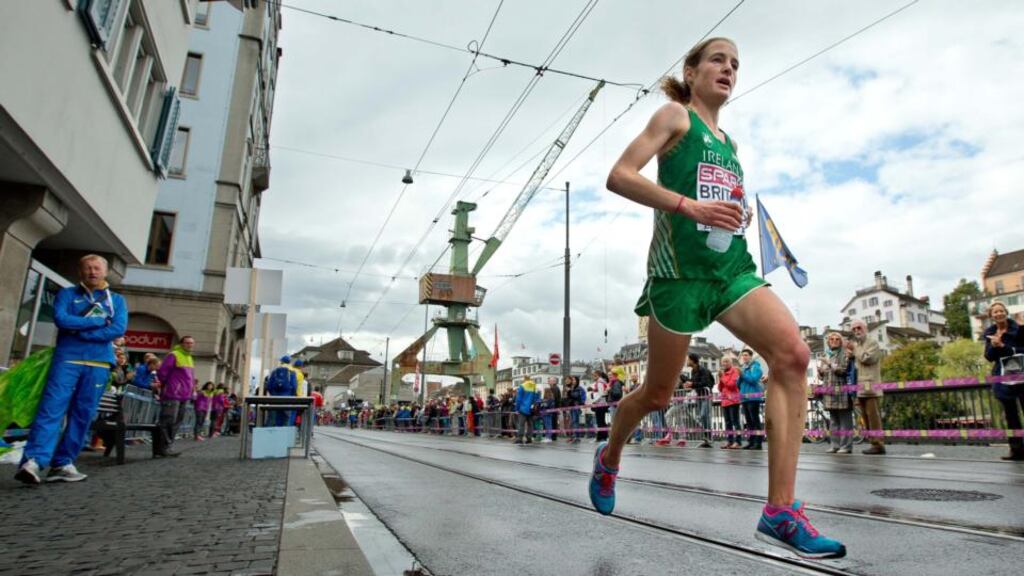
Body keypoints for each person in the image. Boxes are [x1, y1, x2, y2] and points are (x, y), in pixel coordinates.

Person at [592, 37, 844, 558]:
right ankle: (610, 454)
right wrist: (691, 208)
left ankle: (780, 509)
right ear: (691, 70)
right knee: (656, 395)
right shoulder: (674, 118)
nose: (728, 69)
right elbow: (619, 176)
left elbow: (718, 200)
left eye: (735, 64)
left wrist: (732, 213)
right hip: (678, 275)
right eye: (717, 60)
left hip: (730, 270)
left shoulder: (729, 144)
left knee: (793, 355)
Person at [15, 255, 128, 485]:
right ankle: (34, 461)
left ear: (105, 272)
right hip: (68, 359)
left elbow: (118, 328)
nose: (92, 272)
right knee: (51, 409)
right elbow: (61, 319)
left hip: (98, 364)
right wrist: (96, 323)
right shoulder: (67, 294)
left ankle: (63, 463)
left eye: (97, 268)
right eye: (87, 268)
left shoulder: (116, 300)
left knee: (82, 415)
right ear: (80, 271)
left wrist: (82, 332)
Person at [983, 301, 1024, 461]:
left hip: (1021, 375)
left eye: (1001, 311)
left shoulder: (1019, 329)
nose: (999, 314)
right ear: (991, 316)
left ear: (1006, 312)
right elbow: (988, 357)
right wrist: (994, 345)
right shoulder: (990, 333)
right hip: (1003, 378)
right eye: (995, 312)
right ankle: (1017, 451)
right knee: (1011, 415)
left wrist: (1006, 347)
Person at [154, 336, 196, 457]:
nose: (190, 345)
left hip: (184, 395)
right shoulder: (174, 355)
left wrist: (192, 390)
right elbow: (162, 372)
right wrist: (167, 385)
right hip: (172, 393)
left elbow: (190, 377)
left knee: (177, 421)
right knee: (168, 420)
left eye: (192, 343)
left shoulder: (189, 358)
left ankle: (167, 446)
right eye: (187, 343)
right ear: (181, 343)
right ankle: (163, 448)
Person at [848, 320, 885, 455]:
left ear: (865, 328)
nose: (857, 331)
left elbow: (867, 359)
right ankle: (873, 443)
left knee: (873, 416)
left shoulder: (872, 343)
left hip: (871, 386)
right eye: (854, 329)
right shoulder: (859, 345)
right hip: (861, 387)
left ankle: (878, 443)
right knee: (866, 417)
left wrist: (854, 350)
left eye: (859, 328)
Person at [817, 332, 854, 454]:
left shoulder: (844, 354)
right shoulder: (826, 354)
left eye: (837, 339)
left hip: (842, 391)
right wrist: (820, 371)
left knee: (845, 421)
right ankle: (835, 445)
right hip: (829, 391)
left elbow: (843, 371)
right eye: (831, 339)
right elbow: (823, 376)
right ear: (828, 341)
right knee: (833, 421)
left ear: (841, 341)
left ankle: (846, 446)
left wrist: (829, 363)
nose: (834, 341)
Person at [738, 348, 764, 450]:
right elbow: (738, 384)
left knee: (755, 420)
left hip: (753, 397)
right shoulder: (743, 368)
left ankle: (758, 443)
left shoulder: (756, 367)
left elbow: (753, 380)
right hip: (744, 397)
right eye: (743, 355)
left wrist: (742, 375)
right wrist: (740, 376)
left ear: (751, 356)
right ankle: (751, 441)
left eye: (746, 355)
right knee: (748, 422)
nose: (744, 357)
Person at [687, 354, 715, 448]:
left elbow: (706, 382)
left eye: (688, 360)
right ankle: (706, 437)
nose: (687, 362)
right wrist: (688, 383)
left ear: (693, 361)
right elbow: (693, 382)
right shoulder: (693, 371)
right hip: (699, 396)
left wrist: (692, 384)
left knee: (704, 415)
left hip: (706, 395)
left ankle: (709, 436)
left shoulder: (703, 370)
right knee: (702, 417)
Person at [265, 355, 298, 427]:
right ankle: (284, 436)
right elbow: (295, 387)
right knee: (286, 419)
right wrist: (291, 396)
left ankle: (269, 435)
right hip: (287, 399)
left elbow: (269, 386)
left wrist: (273, 394)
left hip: (275, 399)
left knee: (272, 418)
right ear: (289, 362)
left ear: (281, 362)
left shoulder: (275, 371)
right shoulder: (292, 373)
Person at [719, 357, 742, 449]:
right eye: (723, 361)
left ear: (731, 363)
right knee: (727, 423)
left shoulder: (735, 371)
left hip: (733, 400)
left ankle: (738, 441)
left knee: (735, 422)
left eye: (726, 361)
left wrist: (722, 377)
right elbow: (720, 388)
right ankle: (730, 441)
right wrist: (721, 378)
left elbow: (732, 385)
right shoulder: (723, 374)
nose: (724, 363)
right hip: (725, 401)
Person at [514, 377, 539, 445]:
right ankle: (529, 438)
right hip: (531, 408)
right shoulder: (534, 386)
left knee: (521, 424)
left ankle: (520, 438)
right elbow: (537, 397)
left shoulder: (522, 386)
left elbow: (519, 399)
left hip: (523, 408)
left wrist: (517, 409)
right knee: (530, 424)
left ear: (524, 380)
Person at [592, 370, 611, 442]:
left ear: (598, 375)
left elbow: (601, 394)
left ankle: (601, 437)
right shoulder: (602, 382)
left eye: (594, 375)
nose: (593, 377)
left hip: (600, 404)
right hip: (601, 404)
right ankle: (603, 436)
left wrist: (594, 401)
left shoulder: (599, 383)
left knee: (600, 421)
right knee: (601, 421)